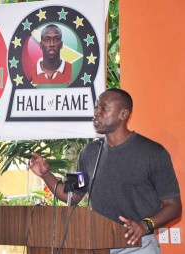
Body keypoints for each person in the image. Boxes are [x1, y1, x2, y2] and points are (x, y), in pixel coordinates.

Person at [28, 88, 182, 254]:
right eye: (96, 107)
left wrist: (145, 225)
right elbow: (72, 196)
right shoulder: (89, 152)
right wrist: (45, 174)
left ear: (123, 114)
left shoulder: (153, 153)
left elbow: (173, 206)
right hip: (99, 245)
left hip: (138, 245)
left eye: (103, 108)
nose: (96, 113)